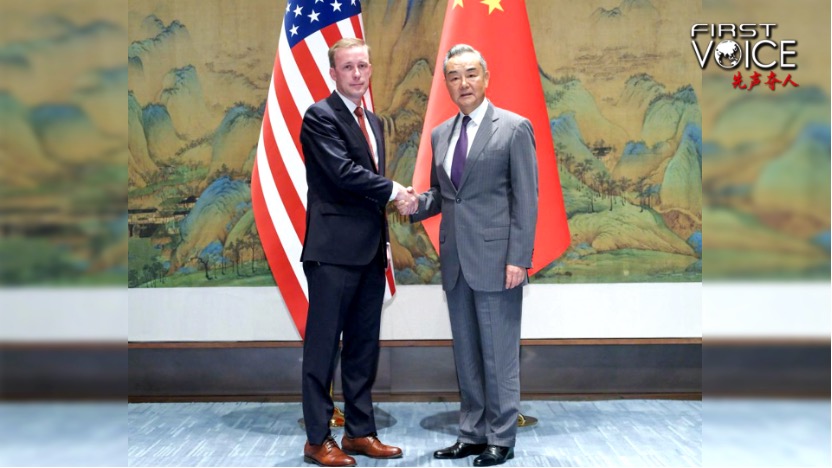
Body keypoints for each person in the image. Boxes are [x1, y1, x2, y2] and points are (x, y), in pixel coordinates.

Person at [399, 44, 538, 467]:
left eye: (471, 74)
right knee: (467, 355)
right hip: (457, 262)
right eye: (455, 77)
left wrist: (519, 258)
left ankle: (501, 437)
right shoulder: (442, 134)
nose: (464, 83)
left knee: (498, 355)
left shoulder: (514, 128)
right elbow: (445, 195)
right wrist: (414, 205)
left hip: (499, 263)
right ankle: (472, 434)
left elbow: (526, 199)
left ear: (486, 77)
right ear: (447, 84)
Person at [299, 37, 406, 467]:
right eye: (348, 68)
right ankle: (317, 439)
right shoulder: (319, 117)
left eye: (363, 66)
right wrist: (396, 190)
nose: (358, 74)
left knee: (363, 349)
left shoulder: (373, 121)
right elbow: (343, 175)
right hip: (332, 254)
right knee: (323, 350)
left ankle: (360, 432)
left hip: (368, 254)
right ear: (333, 73)